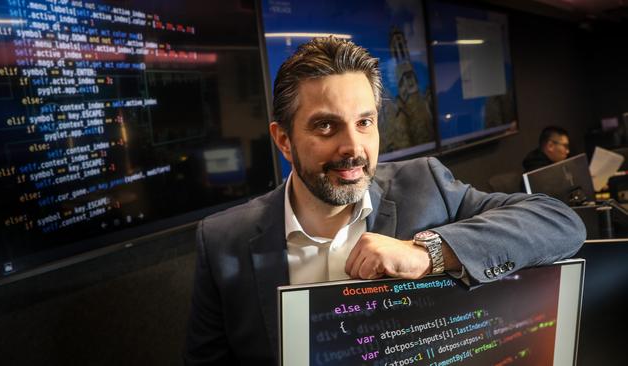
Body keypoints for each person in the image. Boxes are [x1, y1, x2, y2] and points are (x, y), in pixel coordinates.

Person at [184, 38, 585, 365]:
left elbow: (559, 221)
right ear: (284, 140)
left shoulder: (425, 186)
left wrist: (431, 251)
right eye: (326, 126)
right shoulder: (223, 240)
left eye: (365, 122)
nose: (353, 148)